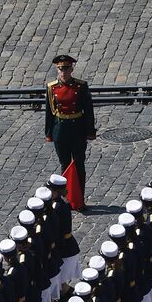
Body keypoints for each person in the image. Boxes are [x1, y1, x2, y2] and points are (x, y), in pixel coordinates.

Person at [44, 54, 95, 210]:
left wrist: (90, 131)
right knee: (64, 165)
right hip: (60, 129)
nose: (63, 73)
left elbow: (88, 110)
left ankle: (79, 199)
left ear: (71, 69)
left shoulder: (80, 86)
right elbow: (49, 111)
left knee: (78, 165)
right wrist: (49, 132)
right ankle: (67, 198)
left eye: (66, 69)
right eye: (60, 69)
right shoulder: (52, 87)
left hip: (77, 129)